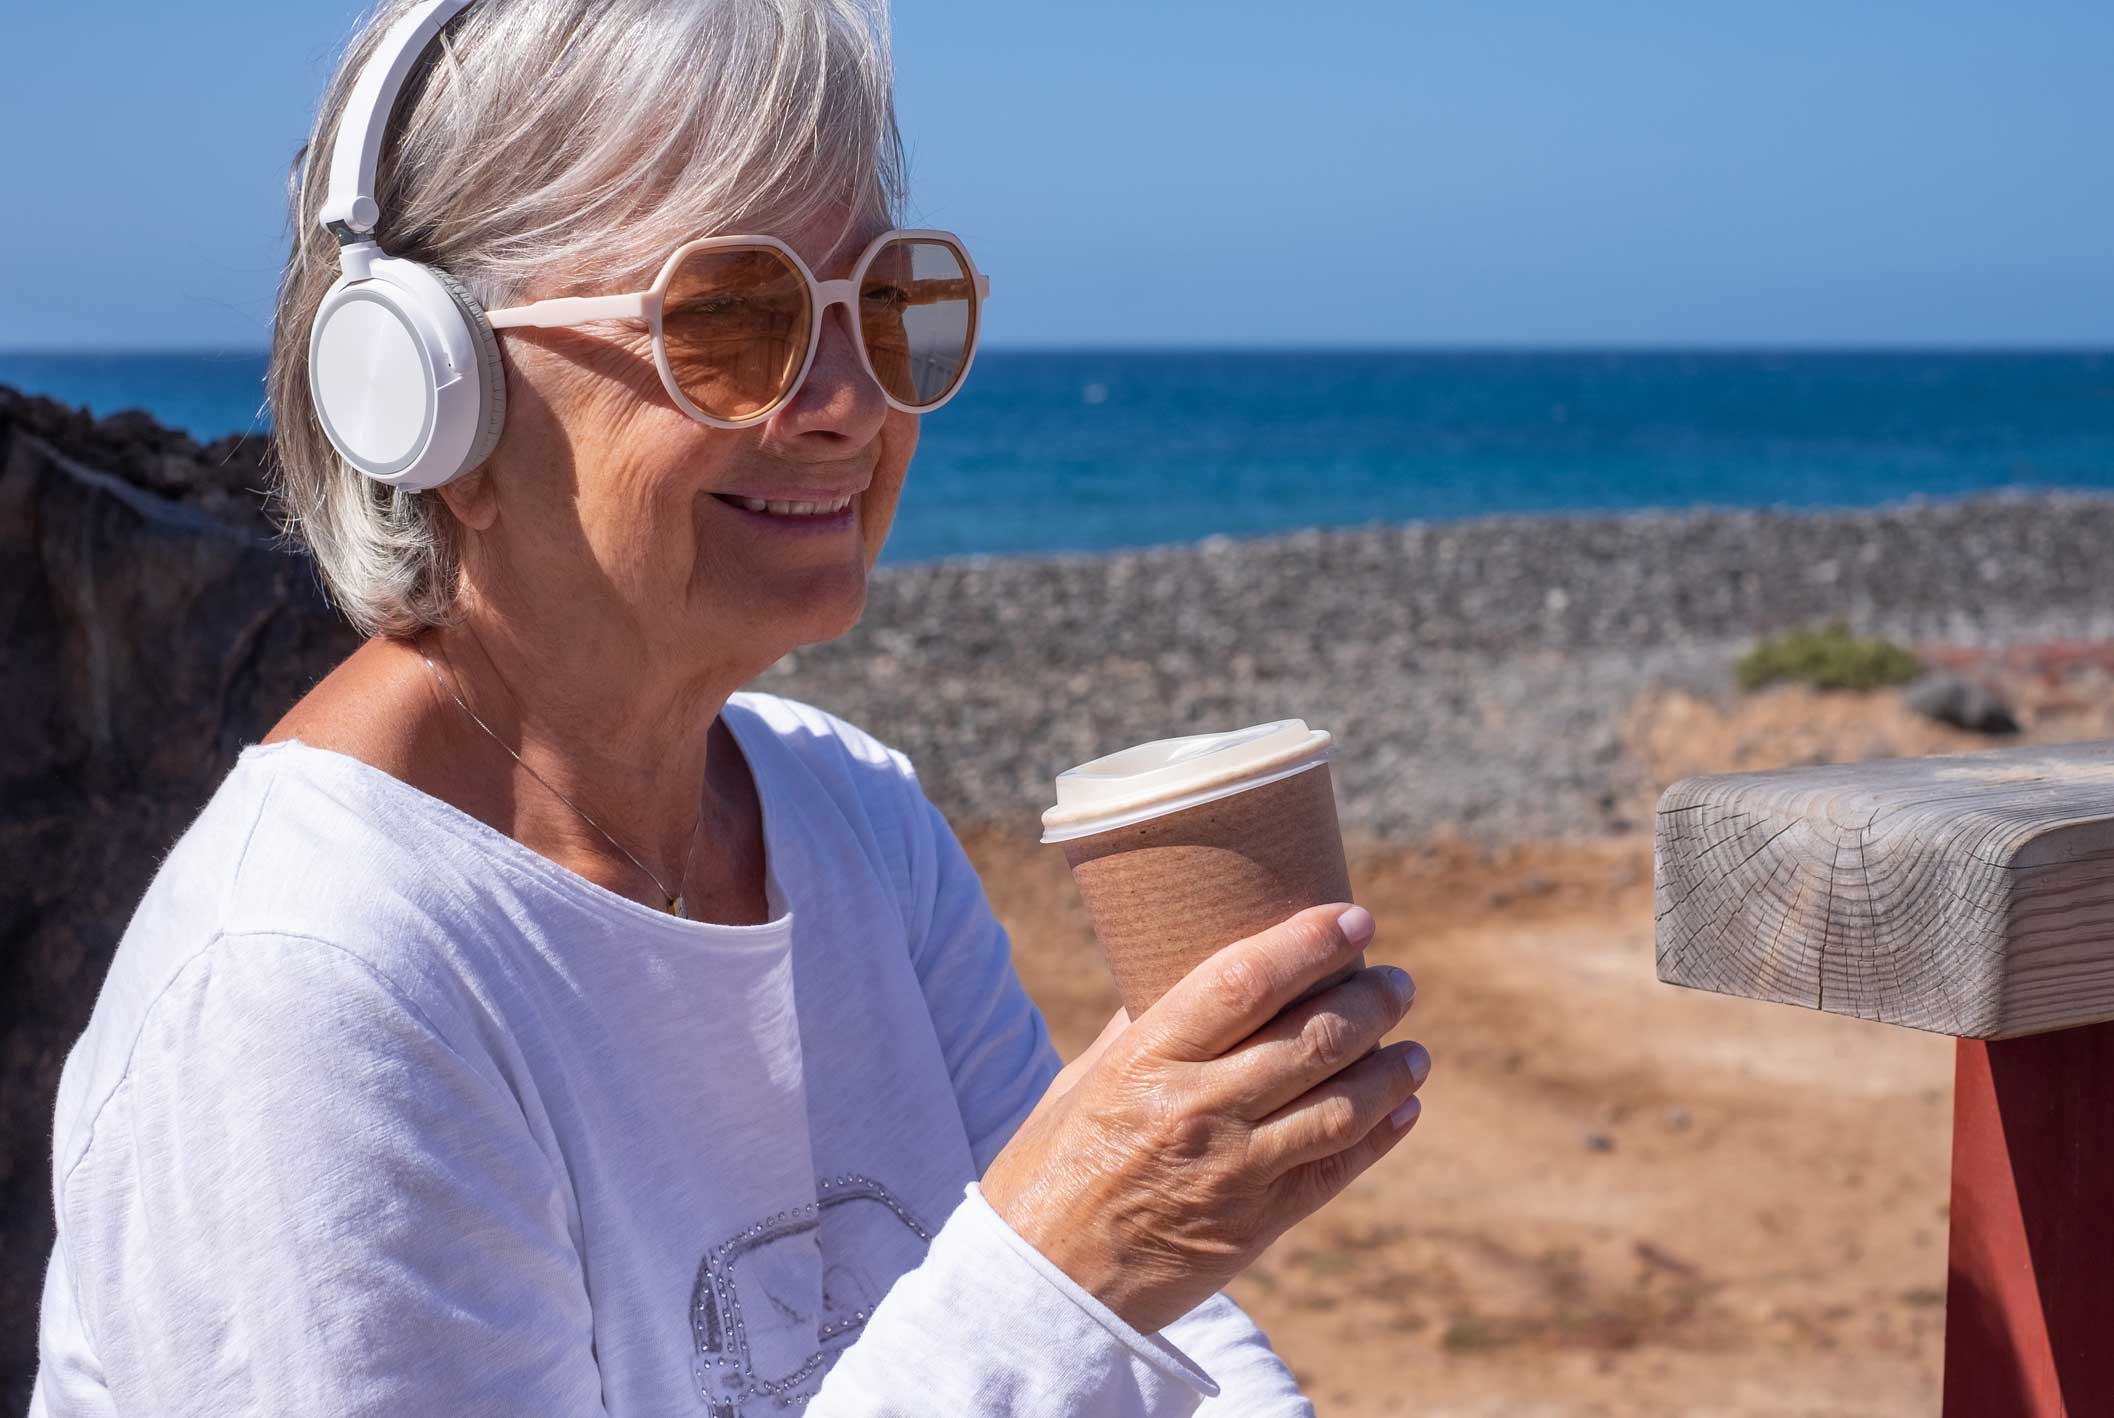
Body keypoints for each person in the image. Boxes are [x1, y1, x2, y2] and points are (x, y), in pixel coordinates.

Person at [31, 0, 1430, 1412]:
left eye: (884, 305)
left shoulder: (851, 820)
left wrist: (1111, 1273)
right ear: (425, 397)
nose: (847, 402)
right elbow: (1080, 1298)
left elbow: (1175, 1355)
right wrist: (1069, 1265)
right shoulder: (310, 986)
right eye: (736, 319)